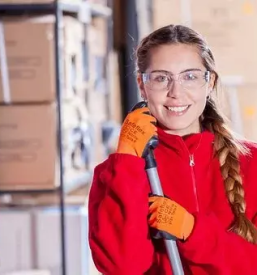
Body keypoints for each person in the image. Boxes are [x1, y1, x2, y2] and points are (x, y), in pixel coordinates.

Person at [88, 24, 257, 274]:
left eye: (190, 76)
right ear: (142, 85)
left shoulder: (251, 163)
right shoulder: (116, 173)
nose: (176, 93)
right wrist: (126, 160)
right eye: (160, 78)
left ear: (210, 82)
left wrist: (193, 231)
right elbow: (122, 267)